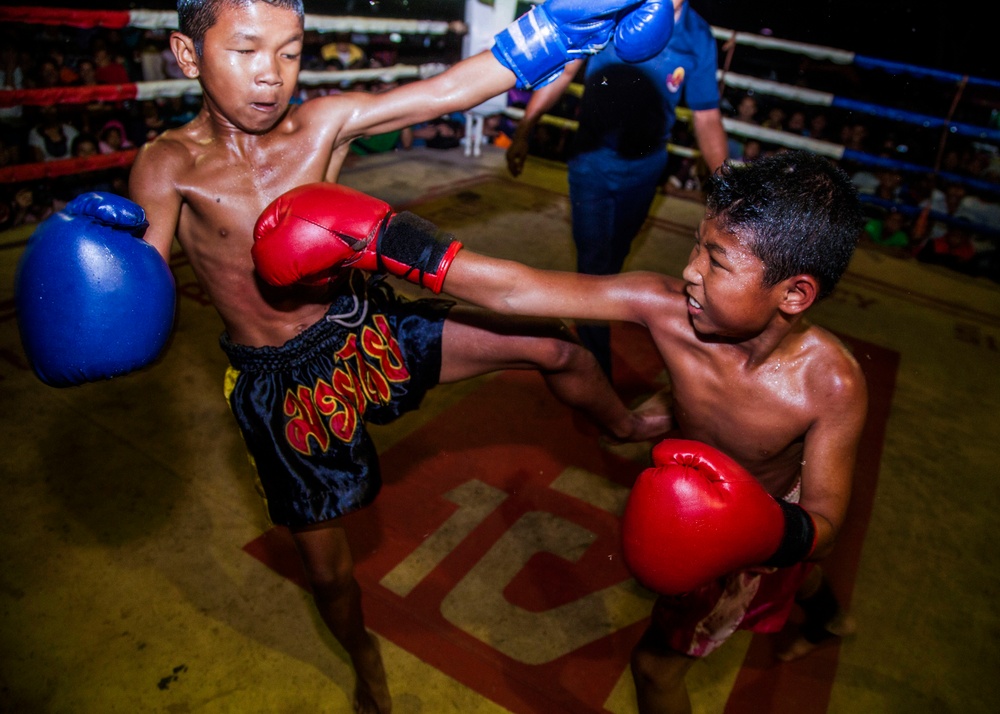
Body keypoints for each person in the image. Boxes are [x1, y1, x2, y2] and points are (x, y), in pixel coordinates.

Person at [14, 2, 674, 713]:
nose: (271, 75)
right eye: (246, 50)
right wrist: (91, 290)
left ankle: (629, 428)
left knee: (555, 346)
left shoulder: (320, 124)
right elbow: (139, 296)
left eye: (290, 52)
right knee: (329, 574)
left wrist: (560, 32)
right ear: (187, 53)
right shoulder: (168, 166)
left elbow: (448, 89)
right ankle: (363, 659)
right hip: (282, 386)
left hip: (365, 328)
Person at [257, 150, 867, 713]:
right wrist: (390, 241)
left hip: (757, 530)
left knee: (655, 670)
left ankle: (818, 612)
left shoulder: (830, 386)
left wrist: (753, 527)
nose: (690, 270)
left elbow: (827, 526)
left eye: (717, 260)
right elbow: (519, 290)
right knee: (785, 584)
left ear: (794, 293)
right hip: (711, 505)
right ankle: (826, 618)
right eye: (697, 247)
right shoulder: (664, 308)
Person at [505, 0, 728, 377]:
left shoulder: (698, 36)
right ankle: (595, 370)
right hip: (591, 159)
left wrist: (726, 187)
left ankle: (588, 318)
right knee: (593, 263)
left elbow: (706, 116)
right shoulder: (612, 6)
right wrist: (525, 128)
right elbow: (565, 70)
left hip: (647, 166)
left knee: (613, 259)